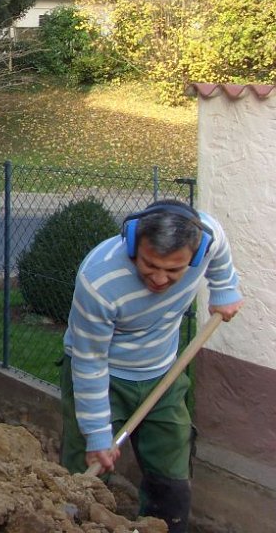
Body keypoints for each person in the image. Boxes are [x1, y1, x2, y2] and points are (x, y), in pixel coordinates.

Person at [61, 200, 243, 533]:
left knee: (171, 475)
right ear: (133, 244)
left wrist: (225, 288)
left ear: (195, 254)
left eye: (174, 271)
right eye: (149, 265)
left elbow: (220, 251)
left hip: (163, 373)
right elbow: (90, 361)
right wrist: (97, 433)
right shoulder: (99, 280)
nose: (159, 279)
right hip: (103, 375)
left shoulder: (208, 237)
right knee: (86, 472)